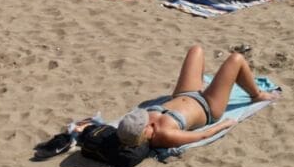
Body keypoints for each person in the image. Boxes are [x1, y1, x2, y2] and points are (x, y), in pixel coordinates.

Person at [113, 45, 278, 152]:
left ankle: (205, 83)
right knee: (236, 59)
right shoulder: (164, 135)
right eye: (145, 124)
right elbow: (202, 136)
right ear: (143, 134)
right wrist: (224, 124)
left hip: (184, 94)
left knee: (196, 50)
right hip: (208, 106)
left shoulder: (140, 124)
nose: (148, 121)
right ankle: (257, 95)